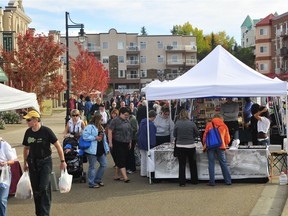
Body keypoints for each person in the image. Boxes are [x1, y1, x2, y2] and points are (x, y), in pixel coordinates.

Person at [22, 110, 67, 216]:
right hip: (32, 163)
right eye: (27, 120)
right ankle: (39, 213)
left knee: (44, 187)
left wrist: (62, 161)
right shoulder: (28, 132)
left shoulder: (46, 131)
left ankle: (45, 213)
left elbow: (58, 146)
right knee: (36, 189)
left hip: (45, 162)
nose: (27, 122)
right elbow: (26, 148)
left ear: (36, 120)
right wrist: (25, 163)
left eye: (29, 120)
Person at [202, 114, 231, 186]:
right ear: (221, 118)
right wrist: (225, 143)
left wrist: (204, 144)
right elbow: (228, 139)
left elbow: (205, 136)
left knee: (211, 163)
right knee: (223, 163)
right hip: (221, 146)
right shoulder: (224, 125)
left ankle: (212, 181)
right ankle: (228, 181)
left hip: (210, 146)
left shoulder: (209, 124)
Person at [173, 109, 200, 186]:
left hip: (180, 146)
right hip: (190, 145)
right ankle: (194, 180)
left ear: (180, 115)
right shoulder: (191, 124)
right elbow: (197, 133)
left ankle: (182, 182)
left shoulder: (177, 123)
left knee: (182, 164)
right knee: (192, 163)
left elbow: (174, 135)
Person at [83, 113, 109, 188]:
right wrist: (95, 137)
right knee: (92, 166)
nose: (102, 121)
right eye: (101, 119)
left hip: (100, 150)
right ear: (97, 119)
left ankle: (97, 179)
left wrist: (106, 149)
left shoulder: (101, 127)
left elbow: (104, 140)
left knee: (104, 165)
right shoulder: (90, 127)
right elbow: (85, 136)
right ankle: (91, 183)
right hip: (92, 150)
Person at [108, 107, 133, 183]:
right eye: (125, 115)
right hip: (117, 142)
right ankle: (125, 177)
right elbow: (110, 131)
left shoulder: (127, 120)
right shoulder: (115, 120)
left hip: (126, 142)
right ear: (121, 113)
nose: (126, 116)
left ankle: (116, 175)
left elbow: (129, 132)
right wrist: (110, 142)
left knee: (123, 159)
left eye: (128, 115)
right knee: (121, 159)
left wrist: (130, 142)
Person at [138, 110, 157, 177]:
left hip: (141, 142)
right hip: (147, 143)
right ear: (154, 117)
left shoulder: (142, 122)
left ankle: (143, 172)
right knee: (149, 159)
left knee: (143, 158)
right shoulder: (151, 125)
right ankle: (149, 173)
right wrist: (153, 144)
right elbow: (152, 136)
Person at [0, 137, 15, 216]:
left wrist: (5, 162)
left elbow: (12, 160)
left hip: (4, 173)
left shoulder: (5, 145)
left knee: (2, 199)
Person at [126, 108, 138, 174]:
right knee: (129, 153)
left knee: (131, 154)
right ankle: (129, 167)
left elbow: (135, 129)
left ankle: (132, 168)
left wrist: (128, 131)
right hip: (128, 138)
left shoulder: (133, 119)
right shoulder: (128, 119)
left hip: (132, 138)